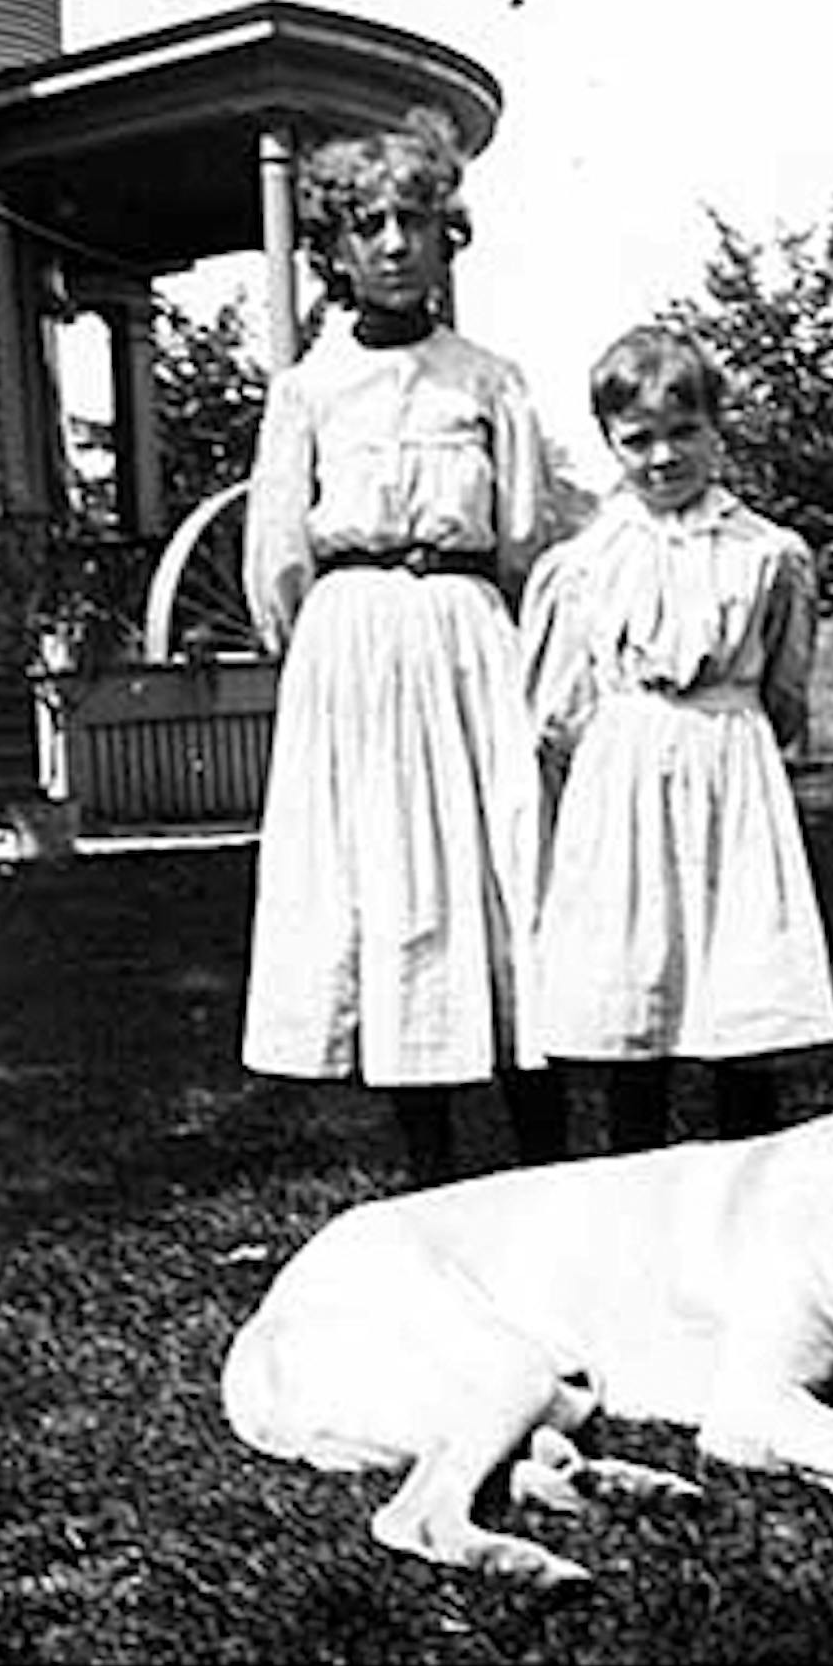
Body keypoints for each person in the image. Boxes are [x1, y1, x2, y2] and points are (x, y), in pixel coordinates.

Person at [237, 107, 568, 1184]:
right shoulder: (309, 388)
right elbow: (279, 554)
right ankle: (429, 1180)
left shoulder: (489, 380)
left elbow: (523, 534)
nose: (392, 243)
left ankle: (543, 1166)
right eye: (368, 225)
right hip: (357, 642)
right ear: (333, 248)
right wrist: (334, 643)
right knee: (390, 878)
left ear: (445, 236)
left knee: (502, 865)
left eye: (414, 221)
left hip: (468, 635)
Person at [522, 324, 833, 1152]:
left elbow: (786, 686)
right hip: (623, 773)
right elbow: (559, 707)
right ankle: (637, 1188)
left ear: (716, 430)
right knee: (635, 986)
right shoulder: (584, 563)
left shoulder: (767, 553)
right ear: (609, 443)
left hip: (732, 765)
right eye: (639, 440)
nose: (663, 457)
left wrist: (734, 735)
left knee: (741, 992)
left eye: (683, 432)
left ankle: (749, 1183)